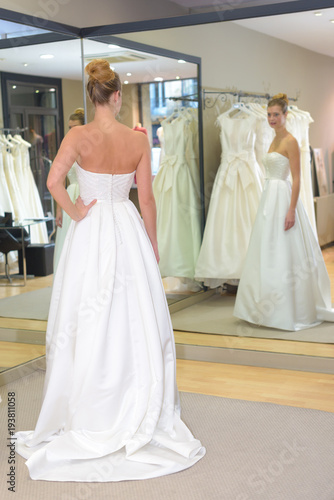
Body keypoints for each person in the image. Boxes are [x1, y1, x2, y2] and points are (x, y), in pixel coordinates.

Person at [15, 59, 205, 482]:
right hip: (127, 228)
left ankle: (90, 402)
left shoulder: (78, 136)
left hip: (91, 230)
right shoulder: (136, 141)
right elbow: (149, 201)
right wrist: (152, 244)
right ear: (116, 96)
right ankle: (132, 396)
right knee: (132, 314)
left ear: (92, 96)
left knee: (87, 313)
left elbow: (53, 183)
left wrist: (77, 210)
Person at [234, 93, 334, 331]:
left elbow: (297, 179)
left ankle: (289, 309)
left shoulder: (290, 140)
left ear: (286, 115)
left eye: (276, 115)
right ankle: (261, 307)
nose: (271, 119)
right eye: (269, 115)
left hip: (283, 197)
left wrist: (291, 209)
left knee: (284, 249)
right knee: (266, 248)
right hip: (269, 196)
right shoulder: (272, 139)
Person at [53, 108, 84, 272]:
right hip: (69, 195)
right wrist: (59, 209)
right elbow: (60, 180)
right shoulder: (66, 147)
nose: (71, 131)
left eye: (75, 127)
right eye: (69, 127)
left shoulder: (90, 145)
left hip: (86, 195)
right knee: (67, 238)